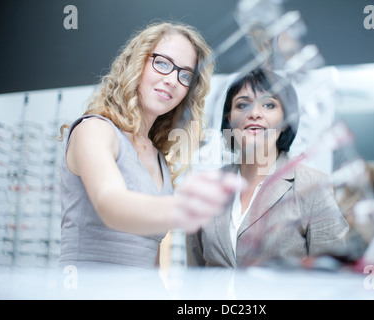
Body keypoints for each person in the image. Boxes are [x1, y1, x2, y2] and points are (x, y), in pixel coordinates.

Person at [57, 21, 241, 271]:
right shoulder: (95, 130)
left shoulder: (160, 159)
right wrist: (186, 205)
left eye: (185, 74)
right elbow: (112, 206)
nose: (172, 80)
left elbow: (152, 263)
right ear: (137, 63)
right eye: (162, 63)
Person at [188, 68, 349, 268]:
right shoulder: (208, 187)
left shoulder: (313, 186)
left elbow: (331, 275)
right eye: (243, 105)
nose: (254, 113)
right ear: (229, 119)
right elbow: (193, 274)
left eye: (269, 105)